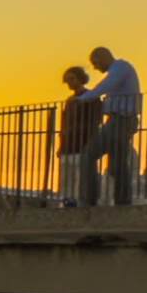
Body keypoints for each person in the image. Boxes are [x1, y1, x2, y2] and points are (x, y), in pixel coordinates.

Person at [90, 45, 143, 203]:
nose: (95, 67)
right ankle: (122, 201)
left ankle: (90, 199)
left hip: (121, 120)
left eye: (95, 62)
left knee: (89, 155)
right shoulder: (120, 69)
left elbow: (104, 86)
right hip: (118, 120)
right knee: (117, 164)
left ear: (103, 57)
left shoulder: (120, 68)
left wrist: (85, 97)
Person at [52, 64, 101, 205]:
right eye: (67, 80)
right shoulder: (70, 101)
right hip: (68, 146)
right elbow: (64, 125)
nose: (69, 83)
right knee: (66, 180)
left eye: (72, 79)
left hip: (82, 145)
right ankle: (67, 204)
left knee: (82, 179)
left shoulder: (92, 98)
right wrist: (61, 145)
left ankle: (81, 204)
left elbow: (94, 122)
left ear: (81, 79)